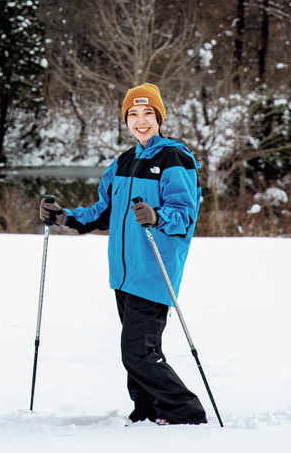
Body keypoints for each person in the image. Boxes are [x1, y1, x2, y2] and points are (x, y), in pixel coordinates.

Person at [40, 83, 207, 425]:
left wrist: (157, 215)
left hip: (153, 272)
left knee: (137, 352)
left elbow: (184, 215)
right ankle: (146, 413)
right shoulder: (123, 162)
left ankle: (185, 413)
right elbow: (103, 211)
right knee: (141, 352)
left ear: (159, 117)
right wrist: (63, 216)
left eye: (148, 113)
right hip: (122, 275)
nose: (141, 120)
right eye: (133, 114)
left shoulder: (174, 158)